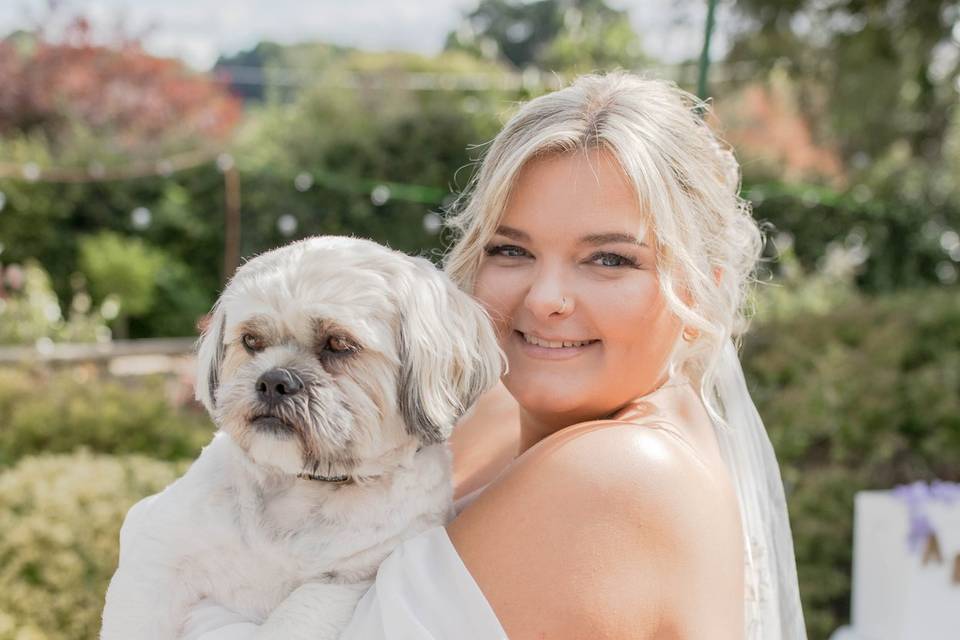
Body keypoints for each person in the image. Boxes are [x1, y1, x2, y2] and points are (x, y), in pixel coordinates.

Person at [193, 71, 807, 639]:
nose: (545, 299)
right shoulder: (490, 415)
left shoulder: (620, 472)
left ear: (699, 288)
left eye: (610, 259)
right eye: (511, 250)